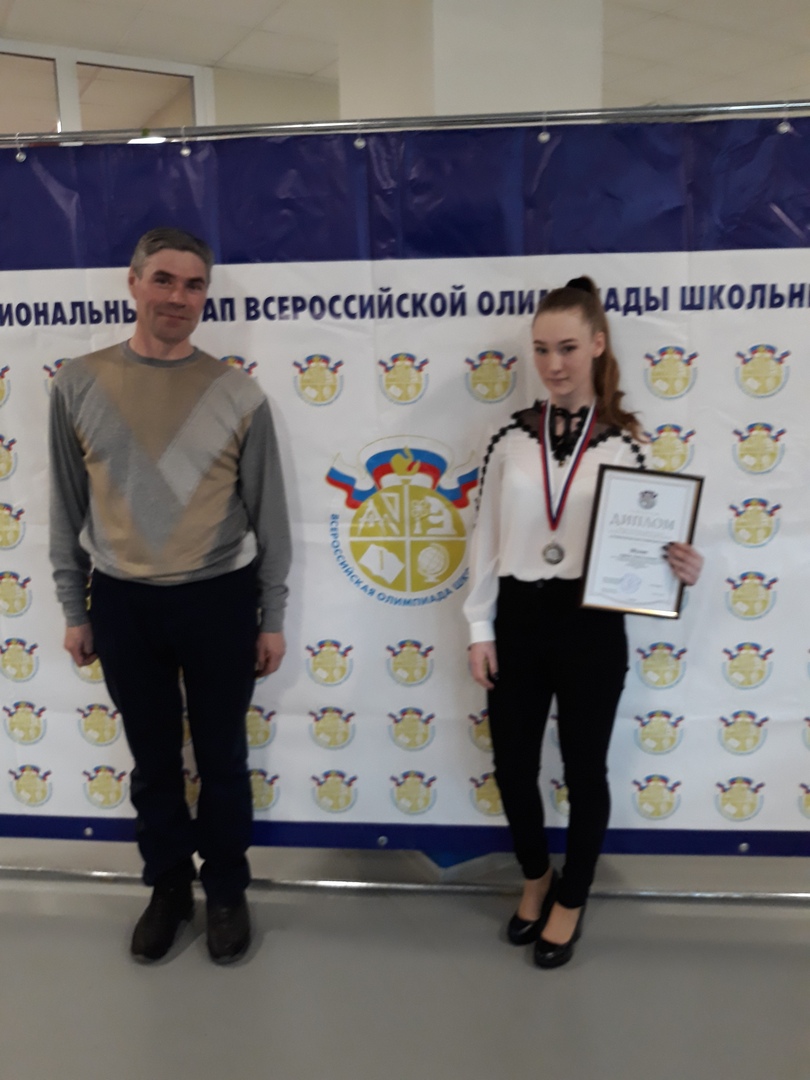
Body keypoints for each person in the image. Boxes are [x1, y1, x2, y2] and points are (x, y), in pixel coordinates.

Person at [49, 226, 292, 964]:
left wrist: (272, 615)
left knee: (221, 758)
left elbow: (270, 517)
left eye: (193, 285)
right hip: (123, 603)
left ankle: (226, 890)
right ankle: (167, 889)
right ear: (133, 283)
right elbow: (65, 507)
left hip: (220, 600)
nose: (178, 297)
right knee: (153, 762)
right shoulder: (77, 383)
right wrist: (74, 609)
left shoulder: (237, 394)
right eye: (163, 279)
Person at [464, 277, 702, 968]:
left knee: (584, 769)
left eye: (567, 347)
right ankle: (536, 876)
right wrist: (479, 627)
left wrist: (679, 569)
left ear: (597, 345)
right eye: (541, 349)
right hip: (518, 615)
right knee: (512, 766)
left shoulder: (626, 446)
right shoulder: (508, 438)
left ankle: (573, 895)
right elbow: (484, 539)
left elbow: (647, 549)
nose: (554, 364)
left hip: (590, 623)